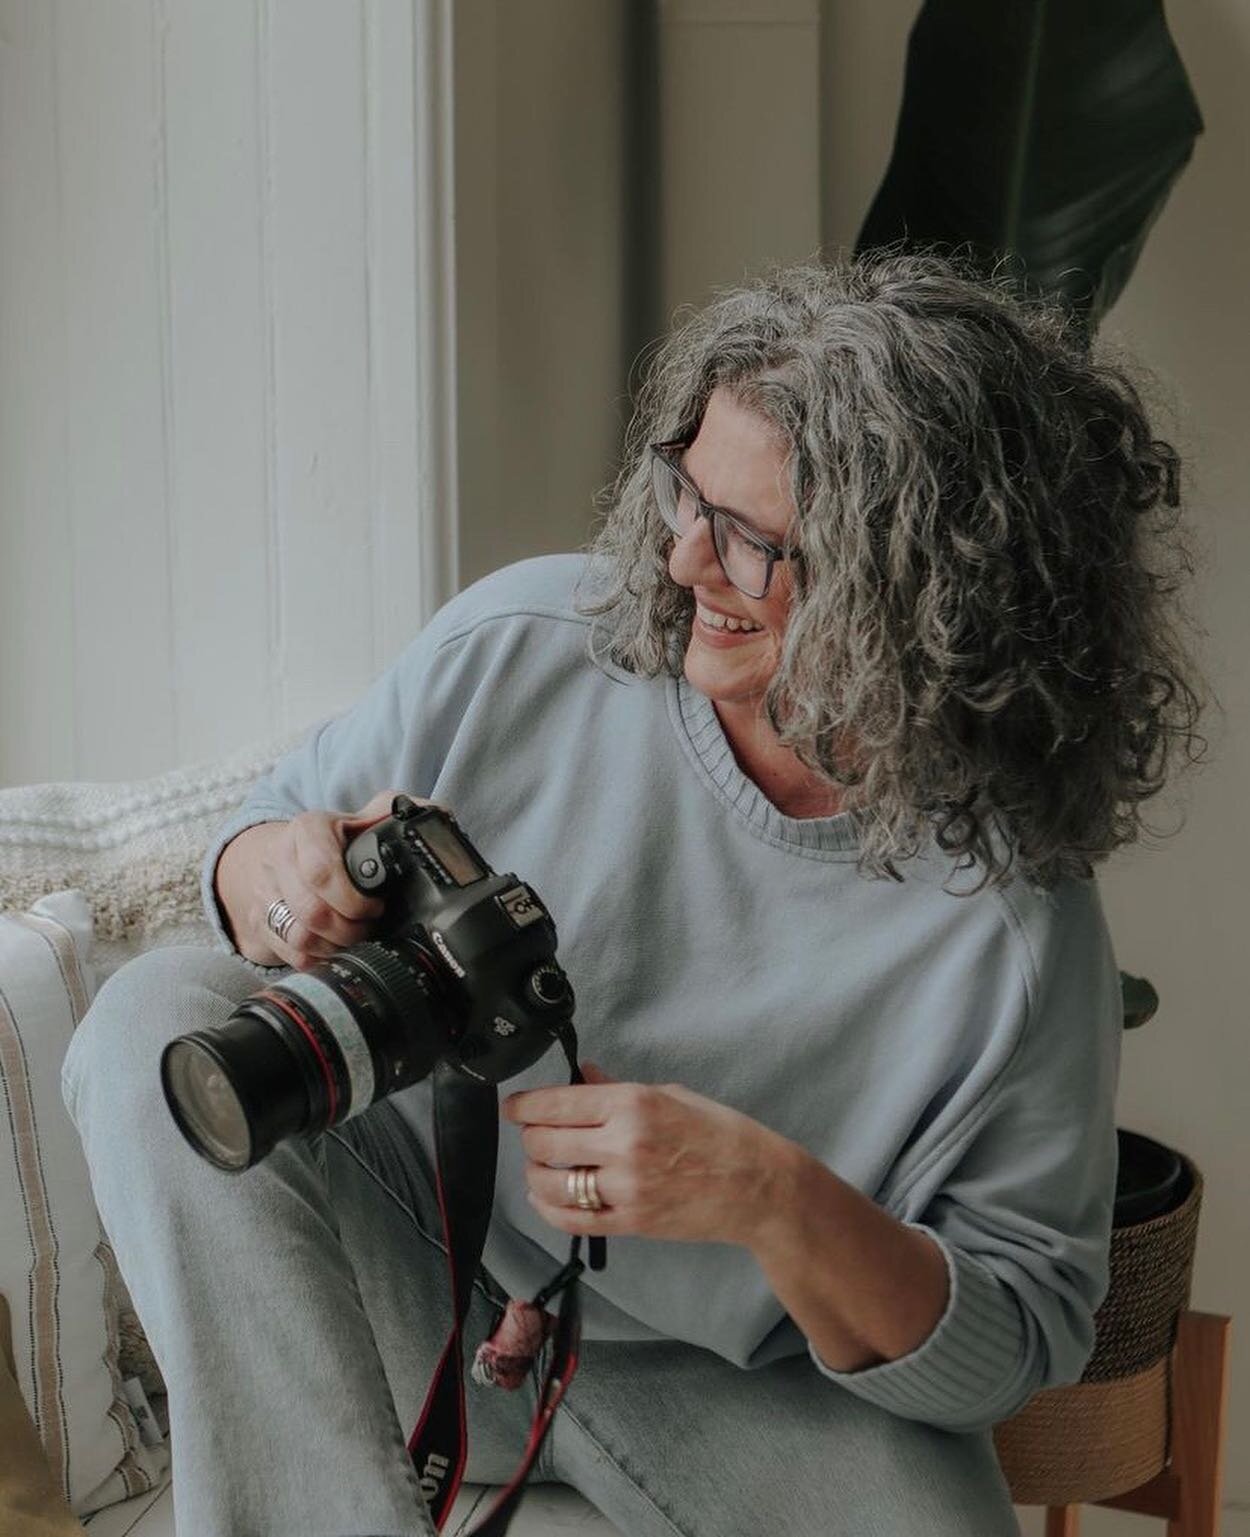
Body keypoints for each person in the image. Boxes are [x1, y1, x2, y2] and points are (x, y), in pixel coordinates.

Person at [62, 250, 1204, 1537]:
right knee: (153, 1018)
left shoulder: (1013, 924)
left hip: (726, 1386)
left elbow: (1023, 1330)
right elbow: (257, 845)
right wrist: (267, 875)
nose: (679, 561)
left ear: (925, 590)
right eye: (684, 493)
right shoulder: (524, 645)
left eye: (751, 542)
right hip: (398, 1286)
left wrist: (772, 1198)